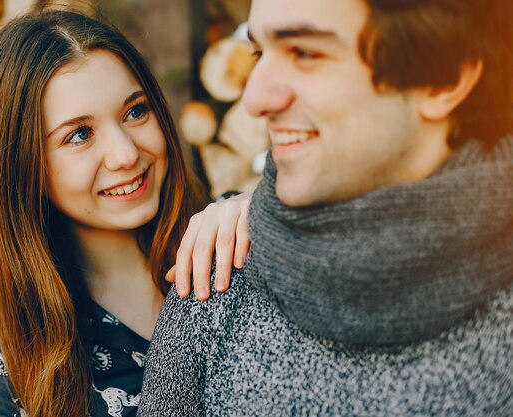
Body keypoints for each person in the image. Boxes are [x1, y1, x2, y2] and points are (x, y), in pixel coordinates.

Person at [138, 0, 513, 415]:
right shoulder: (218, 277)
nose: (255, 99)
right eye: (259, 53)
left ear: (444, 78)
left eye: (304, 52)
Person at [0, 9, 250, 417]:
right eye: (79, 134)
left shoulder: (232, 237)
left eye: (135, 111)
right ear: (23, 165)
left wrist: (262, 212)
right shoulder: (1, 338)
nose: (126, 154)